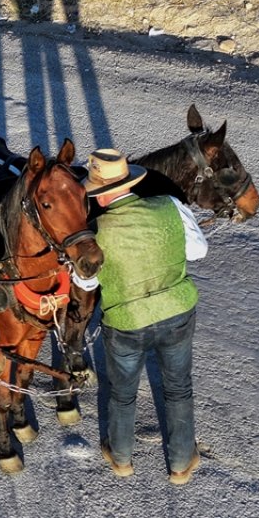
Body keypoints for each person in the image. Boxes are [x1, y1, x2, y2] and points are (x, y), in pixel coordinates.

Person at [84, 148, 208, 485]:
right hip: (178, 311)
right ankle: (182, 465)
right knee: (179, 388)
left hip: (127, 322)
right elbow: (198, 251)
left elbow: (86, 281)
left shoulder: (94, 230)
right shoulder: (169, 205)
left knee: (123, 392)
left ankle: (122, 459)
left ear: (98, 192)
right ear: (128, 180)